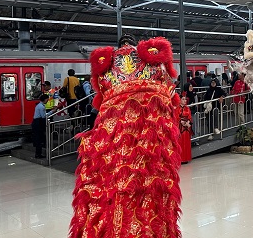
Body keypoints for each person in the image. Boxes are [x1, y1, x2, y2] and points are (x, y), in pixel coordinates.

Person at [70, 35, 183, 238]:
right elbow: (169, 93)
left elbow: (102, 99)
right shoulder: (154, 63)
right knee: (152, 183)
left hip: (114, 134)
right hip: (150, 132)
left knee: (109, 182)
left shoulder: (107, 67)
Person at [31, 94, 57, 159]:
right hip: (38, 123)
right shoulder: (42, 107)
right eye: (47, 99)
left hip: (36, 122)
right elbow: (43, 116)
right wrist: (52, 111)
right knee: (39, 139)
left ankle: (39, 152)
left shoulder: (38, 105)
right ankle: (38, 154)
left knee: (39, 138)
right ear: (45, 99)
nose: (47, 101)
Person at [179, 94, 193, 164]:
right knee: (180, 143)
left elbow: (190, 117)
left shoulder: (187, 108)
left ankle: (186, 158)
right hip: (180, 128)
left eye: (185, 99)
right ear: (179, 100)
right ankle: (180, 159)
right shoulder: (176, 108)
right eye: (183, 99)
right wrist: (180, 121)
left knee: (186, 143)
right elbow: (175, 117)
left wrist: (188, 122)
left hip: (186, 128)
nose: (185, 101)